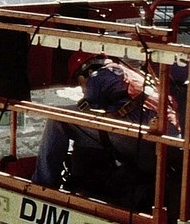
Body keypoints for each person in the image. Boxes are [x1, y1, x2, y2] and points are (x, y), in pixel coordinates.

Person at [31, 51, 180, 208]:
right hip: (165, 144)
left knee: (58, 119)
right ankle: (85, 180)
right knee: (91, 130)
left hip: (143, 140)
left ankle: (42, 185)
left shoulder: (100, 75)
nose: (81, 87)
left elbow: (90, 105)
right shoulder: (129, 72)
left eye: (80, 82)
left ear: (87, 71)